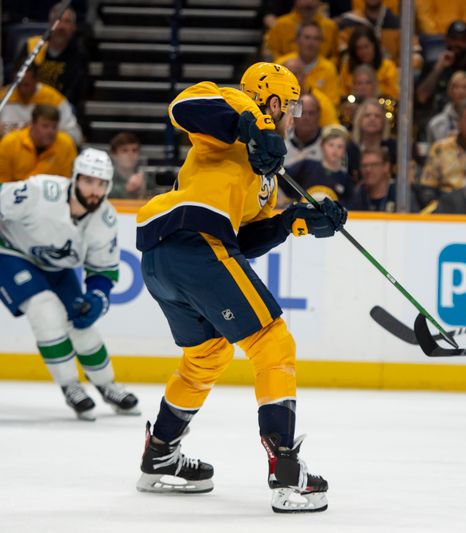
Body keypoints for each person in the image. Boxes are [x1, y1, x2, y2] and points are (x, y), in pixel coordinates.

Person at [134, 63, 342, 512]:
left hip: (164, 254)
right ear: (272, 102)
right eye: (289, 108)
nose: (293, 118)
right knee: (272, 341)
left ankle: (160, 456)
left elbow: (242, 241)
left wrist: (298, 222)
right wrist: (250, 124)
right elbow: (182, 106)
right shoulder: (235, 106)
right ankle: (286, 472)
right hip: (192, 239)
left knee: (208, 353)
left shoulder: (265, 173)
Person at [0, 148, 139, 420]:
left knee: (81, 320)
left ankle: (108, 385)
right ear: (75, 178)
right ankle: (70, 386)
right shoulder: (40, 191)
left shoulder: (105, 220)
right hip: (11, 253)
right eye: (88, 181)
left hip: (56, 267)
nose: (94, 191)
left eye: (101, 184)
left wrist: (98, 297)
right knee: (45, 309)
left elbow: (102, 270)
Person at [20, 4, 89, 108]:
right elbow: (20, 81)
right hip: (30, 105)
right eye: (58, 20)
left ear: (74, 27)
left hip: (61, 108)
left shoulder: (79, 55)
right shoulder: (33, 46)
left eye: (67, 21)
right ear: (50, 24)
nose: (61, 26)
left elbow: (76, 92)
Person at [0, 62, 82, 145]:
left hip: (47, 153)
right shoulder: (3, 97)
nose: (22, 90)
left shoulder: (53, 99)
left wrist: (50, 136)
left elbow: (75, 136)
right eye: (18, 85)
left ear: (36, 80)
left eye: (26, 85)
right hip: (9, 152)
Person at [0, 104, 77, 183]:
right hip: (14, 193)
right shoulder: (10, 143)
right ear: (32, 124)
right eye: (45, 126)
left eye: (54, 127)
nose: (51, 132)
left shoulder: (66, 144)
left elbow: (68, 181)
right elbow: (2, 182)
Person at [276, 21, 341, 112]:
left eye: (316, 38)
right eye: (307, 37)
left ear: (321, 42)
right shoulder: (282, 64)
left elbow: (333, 104)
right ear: (297, 39)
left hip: (318, 117)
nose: (311, 43)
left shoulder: (329, 68)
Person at [284, 124, 352, 203]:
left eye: (340, 146)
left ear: (345, 150)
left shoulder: (345, 179)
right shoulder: (306, 166)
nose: (335, 150)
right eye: (331, 145)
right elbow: (284, 177)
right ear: (322, 146)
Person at [266, 0, 339, 61]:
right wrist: (285, 66)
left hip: (323, 74)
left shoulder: (330, 26)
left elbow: (335, 55)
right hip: (285, 73)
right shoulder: (280, 24)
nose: (308, 2)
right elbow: (271, 52)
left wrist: (324, 68)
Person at [340, 26, 399, 100]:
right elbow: (343, 95)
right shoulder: (347, 67)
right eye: (359, 48)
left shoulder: (388, 66)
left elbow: (394, 95)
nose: (363, 52)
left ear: (373, 45)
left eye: (366, 47)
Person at [349, 146, 415, 212]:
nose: (368, 170)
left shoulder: (400, 195)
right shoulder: (357, 196)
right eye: (364, 165)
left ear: (386, 166)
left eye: (374, 165)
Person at [108, 132, 147, 199]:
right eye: (124, 150)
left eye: (134, 150)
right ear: (114, 154)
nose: (130, 155)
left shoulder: (146, 178)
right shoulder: (105, 176)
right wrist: (126, 188)